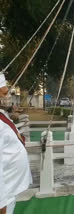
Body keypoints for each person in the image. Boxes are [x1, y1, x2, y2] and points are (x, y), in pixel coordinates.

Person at [0, 72, 32, 214]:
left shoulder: (2, 115)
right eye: (4, 93)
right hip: (4, 195)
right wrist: (2, 203)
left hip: (10, 188)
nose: (7, 96)